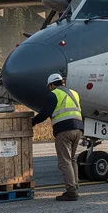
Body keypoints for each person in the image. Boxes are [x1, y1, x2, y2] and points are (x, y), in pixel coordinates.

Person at [32, 72, 85, 201]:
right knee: (71, 159)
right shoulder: (74, 93)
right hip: (78, 129)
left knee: (64, 162)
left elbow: (45, 113)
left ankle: (71, 192)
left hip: (64, 130)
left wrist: (32, 122)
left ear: (51, 85)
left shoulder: (54, 94)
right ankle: (75, 187)